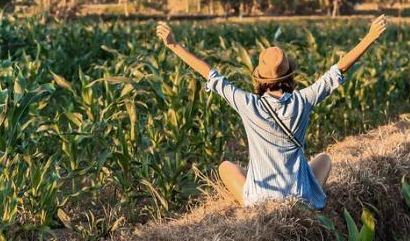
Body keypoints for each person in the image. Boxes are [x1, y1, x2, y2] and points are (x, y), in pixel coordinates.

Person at [155, 15, 388, 209]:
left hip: (260, 200)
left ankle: (255, 198)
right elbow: (339, 69)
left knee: (226, 167)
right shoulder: (303, 100)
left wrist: (173, 45)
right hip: (300, 199)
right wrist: (370, 37)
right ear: (289, 76)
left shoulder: (248, 103)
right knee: (324, 159)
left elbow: (210, 74)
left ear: (259, 78)